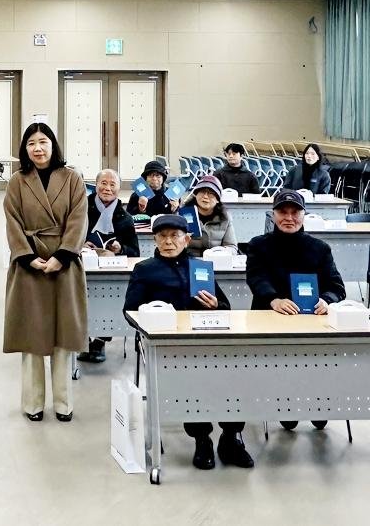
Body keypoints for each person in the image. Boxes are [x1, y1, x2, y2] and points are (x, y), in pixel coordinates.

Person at [124, 214, 252, 470]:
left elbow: (225, 306)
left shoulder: (200, 267)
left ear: (186, 239)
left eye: (175, 236)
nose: (168, 242)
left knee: (235, 372)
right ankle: (202, 438)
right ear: (154, 240)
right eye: (162, 236)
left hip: (209, 340)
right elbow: (130, 311)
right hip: (169, 345)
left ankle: (231, 437)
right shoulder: (145, 270)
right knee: (192, 378)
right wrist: (154, 316)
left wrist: (216, 305)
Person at [4, 122, 88, 423]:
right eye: (31, 143)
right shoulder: (17, 181)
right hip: (29, 265)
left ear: (53, 144)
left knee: (63, 337)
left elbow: (79, 218)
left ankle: (64, 403)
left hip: (64, 265)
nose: (37, 148)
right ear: (24, 149)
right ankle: (33, 403)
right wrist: (28, 257)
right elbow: (12, 221)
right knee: (32, 337)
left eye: (43, 142)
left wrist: (63, 255)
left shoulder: (72, 178)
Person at [246, 188, 346, 432]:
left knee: (315, 363)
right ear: (273, 214)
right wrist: (274, 300)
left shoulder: (320, 248)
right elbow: (256, 279)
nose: (289, 218)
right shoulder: (258, 245)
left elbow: (337, 286)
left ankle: (317, 402)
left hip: (312, 323)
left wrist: (327, 300)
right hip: (270, 319)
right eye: (283, 212)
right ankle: (285, 403)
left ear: (304, 215)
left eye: (295, 212)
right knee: (280, 365)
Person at [78, 168, 138, 364]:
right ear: (96, 185)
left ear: (119, 189)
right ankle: (83, 337)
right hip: (81, 268)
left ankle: (100, 340)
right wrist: (80, 244)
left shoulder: (125, 218)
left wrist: (120, 249)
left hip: (110, 271)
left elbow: (135, 252)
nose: (107, 188)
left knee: (113, 296)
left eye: (113, 185)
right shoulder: (80, 209)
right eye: (103, 183)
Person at [181, 175, 238, 256]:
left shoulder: (225, 218)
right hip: (188, 259)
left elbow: (232, 246)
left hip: (215, 259)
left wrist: (223, 252)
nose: (205, 196)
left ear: (217, 199)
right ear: (196, 194)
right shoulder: (183, 214)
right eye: (202, 192)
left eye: (211, 193)